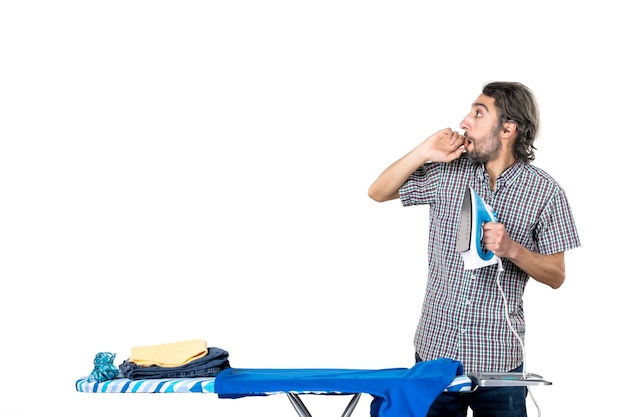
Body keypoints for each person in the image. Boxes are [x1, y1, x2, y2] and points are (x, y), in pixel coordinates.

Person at [367, 81, 580, 417]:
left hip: (499, 364)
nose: (464, 122)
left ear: (508, 129)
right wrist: (424, 150)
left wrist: (512, 249)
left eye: (478, 114)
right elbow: (378, 192)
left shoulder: (546, 192)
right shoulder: (448, 172)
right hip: (436, 354)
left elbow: (556, 276)